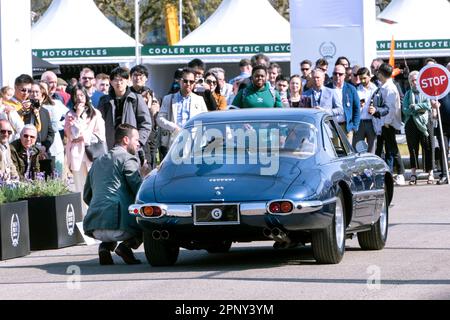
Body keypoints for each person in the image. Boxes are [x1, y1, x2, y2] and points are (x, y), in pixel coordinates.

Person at [83, 124, 143, 265]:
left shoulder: (97, 162)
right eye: (136, 139)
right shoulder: (128, 159)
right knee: (151, 220)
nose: (138, 143)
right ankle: (125, 247)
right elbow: (140, 191)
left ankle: (104, 247)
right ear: (126, 140)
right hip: (119, 227)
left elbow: (86, 195)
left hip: (95, 226)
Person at [65, 84, 106, 213]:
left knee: (96, 187)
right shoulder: (69, 115)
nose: (79, 98)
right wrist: (77, 116)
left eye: (82, 95)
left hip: (92, 154)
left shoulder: (95, 113)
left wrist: (84, 136)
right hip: (77, 155)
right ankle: (84, 217)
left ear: (86, 96)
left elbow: (100, 135)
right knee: (80, 187)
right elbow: (72, 135)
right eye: (76, 96)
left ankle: (97, 215)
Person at [157, 67, 208, 158]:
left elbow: (205, 121)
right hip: (174, 140)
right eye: (185, 81)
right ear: (180, 81)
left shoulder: (199, 100)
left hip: (193, 142)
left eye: (191, 82)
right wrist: (173, 127)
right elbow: (160, 119)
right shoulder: (169, 99)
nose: (188, 84)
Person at [98, 67, 152, 151]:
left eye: (121, 80)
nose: (119, 83)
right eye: (115, 80)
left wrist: (138, 142)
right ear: (111, 82)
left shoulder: (136, 99)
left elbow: (146, 123)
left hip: (131, 146)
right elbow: (98, 124)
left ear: (127, 81)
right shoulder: (104, 101)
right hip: (110, 146)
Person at [374, 63, 405, 186]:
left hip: (388, 123)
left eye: (378, 73)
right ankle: (390, 173)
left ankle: (401, 173)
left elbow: (391, 108)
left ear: (381, 74)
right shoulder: (385, 86)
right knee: (387, 149)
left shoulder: (390, 88)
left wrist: (386, 123)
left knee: (392, 149)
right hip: (384, 123)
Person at [402, 71, 434, 185]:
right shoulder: (407, 94)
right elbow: (405, 109)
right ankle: (413, 173)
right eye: (412, 80)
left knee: (428, 147)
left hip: (425, 122)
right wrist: (418, 109)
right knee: (413, 149)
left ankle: (430, 173)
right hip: (411, 123)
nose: (414, 82)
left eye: (416, 80)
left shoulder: (425, 92)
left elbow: (428, 105)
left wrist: (415, 107)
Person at [129, 64, 160, 170]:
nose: (137, 78)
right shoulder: (128, 93)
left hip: (150, 133)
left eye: (141, 75)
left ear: (146, 78)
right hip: (133, 132)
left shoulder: (150, 93)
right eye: (135, 75)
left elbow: (154, 111)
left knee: (150, 164)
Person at [36, 82, 69, 177]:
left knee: (56, 174)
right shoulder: (32, 107)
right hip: (38, 145)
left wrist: (60, 125)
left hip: (54, 144)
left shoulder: (56, 104)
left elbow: (69, 115)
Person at [326, 64, 361, 142]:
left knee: (347, 153)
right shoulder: (327, 88)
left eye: (340, 74)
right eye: (335, 73)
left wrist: (354, 126)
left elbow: (357, 108)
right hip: (331, 127)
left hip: (347, 127)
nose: (337, 76)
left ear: (344, 75)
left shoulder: (351, 89)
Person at [354, 67, 380, 153]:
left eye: (364, 78)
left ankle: (372, 166)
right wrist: (358, 106)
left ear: (370, 77)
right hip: (359, 122)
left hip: (372, 122)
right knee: (357, 148)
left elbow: (382, 105)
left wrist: (375, 109)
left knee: (372, 148)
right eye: (361, 79)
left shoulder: (376, 89)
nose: (363, 81)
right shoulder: (356, 89)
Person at [431, 91, 450, 185]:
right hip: (443, 125)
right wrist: (433, 104)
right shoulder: (441, 88)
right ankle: (445, 175)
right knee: (443, 149)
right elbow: (431, 98)